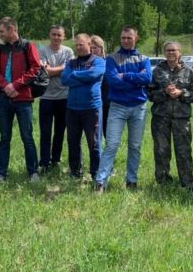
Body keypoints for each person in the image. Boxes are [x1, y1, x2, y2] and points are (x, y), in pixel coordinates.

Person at [93, 26, 152, 192]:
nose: (126, 41)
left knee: (135, 146)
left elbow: (147, 78)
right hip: (117, 107)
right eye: (123, 38)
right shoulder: (111, 59)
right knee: (111, 144)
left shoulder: (144, 58)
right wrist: (136, 79)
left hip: (138, 107)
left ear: (136, 38)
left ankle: (131, 180)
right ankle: (101, 182)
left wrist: (125, 75)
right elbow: (113, 81)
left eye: (129, 38)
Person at [0, 17, 42, 185]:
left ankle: (33, 172)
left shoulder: (28, 46)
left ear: (12, 29)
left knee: (27, 136)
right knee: (4, 138)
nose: (0, 35)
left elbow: (35, 68)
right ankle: (1, 174)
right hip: (5, 98)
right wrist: (6, 86)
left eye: (2, 32)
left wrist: (16, 85)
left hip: (23, 99)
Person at [149, 41, 193, 190]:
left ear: (180, 52)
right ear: (164, 53)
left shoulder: (189, 72)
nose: (171, 53)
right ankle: (163, 182)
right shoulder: (157, 71)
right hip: (160, 118)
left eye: (174, 50)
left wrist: (181, 93)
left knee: (183, 151)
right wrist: (164, 92)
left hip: (181, 119)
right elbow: (150, 94)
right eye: (168, 50)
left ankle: (188, 182)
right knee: (161, 151)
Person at [61, 33, 105, 180]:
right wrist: (82, 76)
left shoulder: (98, 61)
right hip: (72, 109)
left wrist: (75, 75)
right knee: (73, 142)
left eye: (81, 44)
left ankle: (96, 174)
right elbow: (65, 79)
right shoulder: (71, 63)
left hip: (92, 108)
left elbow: (94, 74)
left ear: (89, 44)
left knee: (94, 143)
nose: (78, 47)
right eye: (77, 45)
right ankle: (75, 172)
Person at [38, 25, 74, 174]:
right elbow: (43, 72)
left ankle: (56, 160)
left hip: (64, 97)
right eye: (54, 34)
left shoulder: (69, 52)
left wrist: (52, 70)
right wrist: (61, 68)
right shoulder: (42, 51)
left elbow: (68, 71)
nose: (56, 37)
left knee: (60, 131)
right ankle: (44, 163)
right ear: (49, 35)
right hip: (46, 97)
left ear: (63, 37)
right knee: (45, 132)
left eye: (59, 35)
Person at [90, 35, 110, 138]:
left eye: (95, 47)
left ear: (101, 48)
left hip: (108, 104)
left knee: (109, 136)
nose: (92, 50)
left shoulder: (109, 62)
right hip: (92, 105)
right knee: (95, 136)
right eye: (91, 48)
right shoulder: (86, 64)